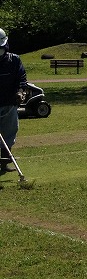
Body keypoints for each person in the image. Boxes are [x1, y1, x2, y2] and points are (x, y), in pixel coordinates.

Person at [0, 28, 29, 175]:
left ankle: (4, 164)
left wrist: (20, 92)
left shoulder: (14, 60)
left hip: (9, 103)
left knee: (9, 134)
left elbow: (21, 78)